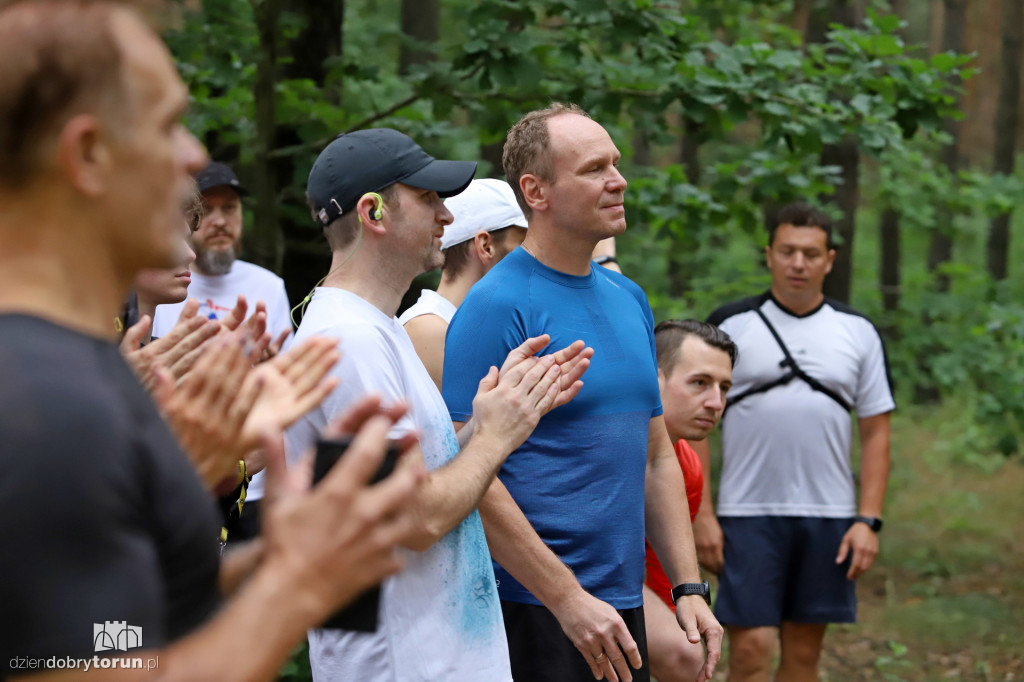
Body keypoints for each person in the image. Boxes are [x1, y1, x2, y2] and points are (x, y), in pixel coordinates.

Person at [0, 2, 424, 679]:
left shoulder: (76, 372)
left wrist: (276, 550)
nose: (194, 156)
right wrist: (298, 589)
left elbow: (114, 631)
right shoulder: (41, 402)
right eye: (167, 125)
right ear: (87, 155)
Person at [287, 128, 591, 681]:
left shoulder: (378, 329)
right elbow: (417, 517)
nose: (447, 217)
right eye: (428, 198)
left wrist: (497, 418)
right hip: (402, 665)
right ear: (373, 213)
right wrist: (495, 438)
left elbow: (421, 480)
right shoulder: (347, 341)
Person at [443, 103, 723, 682]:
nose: (618, 180)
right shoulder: (496, 305)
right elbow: (467, 472)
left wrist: (687, 586)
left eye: (616, 164)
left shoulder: (630, 299)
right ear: (536, 191)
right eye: (595, 168)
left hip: (620, 601)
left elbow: (655, 457)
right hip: (531, 606)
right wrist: (566, 598)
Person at [692, 202, 894, 682]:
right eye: (787, 251)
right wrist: (701, 514)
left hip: (829, 515)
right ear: (769, 255)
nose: (798, 263)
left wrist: (868, 520)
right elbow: (694, 423)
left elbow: (876, 430)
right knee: (751, 652)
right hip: (747, 514)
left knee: (804, 657)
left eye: (810, 253)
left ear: (830, 259)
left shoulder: (858, 332)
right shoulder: (730, 325)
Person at [153, 160, 293, 533]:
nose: (219, 220)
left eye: (229, 208)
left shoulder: (269, 286)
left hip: (258, 484)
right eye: (208, 209)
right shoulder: (163, 283)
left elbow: (283, 379)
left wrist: (271, 369)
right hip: (190, 474)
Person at [642, 320, 735, 682]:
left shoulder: (688, 466)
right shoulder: (609, 442)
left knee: (689, 650)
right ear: (653, 378)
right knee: (684, 655)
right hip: (547, 575)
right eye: (699, 383)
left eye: (724, 388)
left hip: (624, 582)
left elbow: (663, 579)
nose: (716, 403)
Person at [399, 178, 527, 389]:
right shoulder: (430, 328)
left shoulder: (470, 323)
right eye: (523, 246)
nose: (534, 259)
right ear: (485, 246)